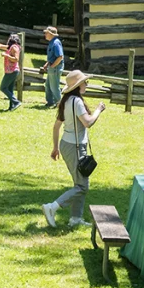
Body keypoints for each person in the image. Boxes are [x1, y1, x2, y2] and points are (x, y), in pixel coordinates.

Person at [43, 70, 105, 228]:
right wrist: (99, 109)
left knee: (79, 183)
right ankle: (53, 207)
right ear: (78, 86)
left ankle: (75, 218)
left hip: (66, 145)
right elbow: (88, 122)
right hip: (75, 147)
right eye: (85, 82)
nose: (86, 84)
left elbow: (57, 126)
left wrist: (56, 147)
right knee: (82, 186)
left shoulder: (66, 100)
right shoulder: (76, 101)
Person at [0, 33, 22, 110]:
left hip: (12, 71)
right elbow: (0, 46)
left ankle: (16, 102)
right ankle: (11, 106)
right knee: (10, 90)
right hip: (11, 71)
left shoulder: (14, 48)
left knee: (3, 88)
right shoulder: (11, 47)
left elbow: (16, 59)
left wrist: (6, 55)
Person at [40, 26, 65, 107]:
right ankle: (50, 102)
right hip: (52, 67)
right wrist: (47, 64)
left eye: (46, 33)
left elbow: (60, 57)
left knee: (54, 87)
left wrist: (53, 66)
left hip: (55, 68)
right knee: (48, 85)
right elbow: (52, 56)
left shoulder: (56, 43)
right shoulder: (52, 42)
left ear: (51, 34)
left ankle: (59, 104)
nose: (45, 34)